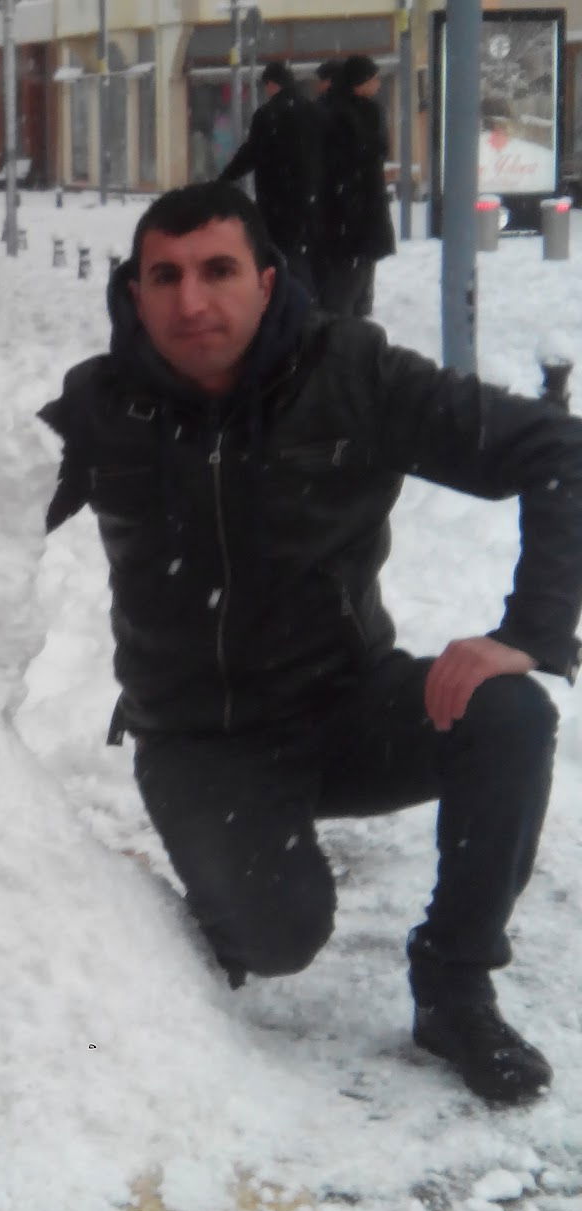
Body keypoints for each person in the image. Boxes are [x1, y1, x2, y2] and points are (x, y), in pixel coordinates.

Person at [30, 180, 582, 1105]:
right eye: (165, 276)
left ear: (266, 281)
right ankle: (205, 904)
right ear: (135, 294)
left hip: (345, 708)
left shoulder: (350, 373)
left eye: (217, 270)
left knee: (509, 714)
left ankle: (455, 987)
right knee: (276, 938)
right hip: (201, 741)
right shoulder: (103, 404)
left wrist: (529, 632)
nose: (191, 301)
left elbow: (559, 450)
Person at [218, 60, 322, 286]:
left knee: (278, 255)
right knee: (303, 256)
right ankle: (306, 295)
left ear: (272, 84)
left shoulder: (268, 114)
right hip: (310, 197)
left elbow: (251, 153)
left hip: (276, 199)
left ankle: (285, 293)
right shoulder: (313, 111)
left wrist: (225, 179)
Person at [316, 53, 395, 316]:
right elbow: (373, 150)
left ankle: (354, 311)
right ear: (360, 82)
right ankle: (352, 314)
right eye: (374, 79)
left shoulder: (333, 108)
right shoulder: (356, 112)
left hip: (346, 202)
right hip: (354, 201)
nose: (378, 84)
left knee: (353, 266)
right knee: (353, 270)